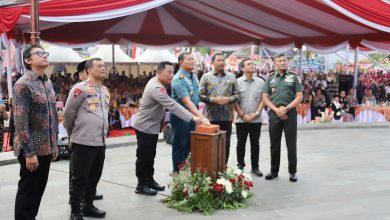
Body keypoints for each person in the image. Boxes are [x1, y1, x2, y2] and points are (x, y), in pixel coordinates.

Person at [133, 61, 202, 196]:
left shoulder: (159, 84)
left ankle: (149, 180)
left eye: (173, 72)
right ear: (159, 73)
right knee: (144, 157)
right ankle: (141, 184)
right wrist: (192, 117)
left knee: (150, 155)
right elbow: (172, 105)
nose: (172, 75)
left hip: (151, 126)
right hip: (145, 127)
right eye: (169, 72)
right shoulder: (156, 87)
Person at [13, 44, 59, 220]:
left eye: (45, 53)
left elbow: (52, 115)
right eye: (39, 53)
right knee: (28, 192)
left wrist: (54, 144)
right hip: (32, 145)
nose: (44, 56)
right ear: (28, 60)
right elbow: (20, 120)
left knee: (38, 190)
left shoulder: (47, 82)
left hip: (46, 144)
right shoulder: (23, 84)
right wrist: (29, 152)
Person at [64, 58, 109, 220]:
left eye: (104, 66)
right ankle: (75, 211)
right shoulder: (79, 89)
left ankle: (88, 206)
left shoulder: (104, 90)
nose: (103, 68)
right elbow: (68, 114)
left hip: (100, 141)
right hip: (83, 141)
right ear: (89, 70)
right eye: (99, 66)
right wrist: (74, 134)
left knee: (94, 176)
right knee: (79, 178)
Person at [262, 54, 303, 182]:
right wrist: (276, 110)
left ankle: (292, 172)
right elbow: (265, 98)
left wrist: (286, 108)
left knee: (291, 144)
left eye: (285, 60)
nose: (283, 63)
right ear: (275, 63)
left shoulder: (294, 77)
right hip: (274, 114)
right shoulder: (270, 78)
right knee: (274, 144)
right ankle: (274, 171)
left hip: (289, 113)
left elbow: (299, 96)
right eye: (280, 61)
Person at [170, 52, 210, 172]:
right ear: (181, 62)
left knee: (190, 144)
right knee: (180, 145)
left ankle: (187, 170)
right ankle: (178, 172)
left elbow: (197, 96)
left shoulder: (193, 76)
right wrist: (202, 117)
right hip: (181, 115)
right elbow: (187, 102)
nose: (193, 61)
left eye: (193, 59)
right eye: (189, 59)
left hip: (193, 114)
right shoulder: (178, 79)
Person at [199, 53, 238, 164]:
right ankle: (209, 168)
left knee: (225, 144)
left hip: (226, 117)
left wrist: (229, 99)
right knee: (209, 144)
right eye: (219, 60)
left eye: (223, 60)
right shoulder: (206, 77)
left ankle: (223, 168)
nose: (221, 62)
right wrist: (213, 100)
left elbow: (237, 95)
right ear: (212, 63)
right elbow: (200, 95)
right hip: (210, 117)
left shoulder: (231, 76)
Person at [234, 58, 265, 176]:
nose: (252, 65)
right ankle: (240, 166)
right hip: (241, 119)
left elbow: (264, 99)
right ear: (242, 68)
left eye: (253, 64)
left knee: (255, 144)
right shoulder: (237, 82)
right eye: (249, 64)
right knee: (240, 143)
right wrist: (242, 115)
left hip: (256, 119)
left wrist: (256, 113)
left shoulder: (261, 82)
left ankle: (255, 167)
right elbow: (234, 101)